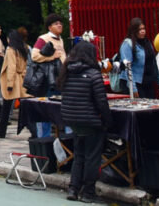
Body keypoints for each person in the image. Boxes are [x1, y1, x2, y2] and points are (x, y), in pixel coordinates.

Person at [60, 41, 112, 202]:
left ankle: (73, 188)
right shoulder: (93, 74)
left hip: (73, 120)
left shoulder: (66, 72)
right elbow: (101, 102)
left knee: (79, 155)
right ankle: (88, 192)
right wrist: (107, 120)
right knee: (92, 157)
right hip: (90, 121)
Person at [0, 30, 30, 138]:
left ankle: (1, 130)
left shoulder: (11, 50)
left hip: (13, 80)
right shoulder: (24, 48)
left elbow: (11, 67)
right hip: (22, 79)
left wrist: (9, 84)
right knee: (23, 106)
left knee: (6, 107)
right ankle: (0, 129)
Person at [119, 18, 159, 98]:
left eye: (143, 28)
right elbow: (127, 67)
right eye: (139, 29)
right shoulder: (128, 44)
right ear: (134, 30)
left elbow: (153, 64)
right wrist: (133, 88)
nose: (143, 31)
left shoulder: (147, 43)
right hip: (135, 82)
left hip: (148, 81)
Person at [31, 13, 67, 94]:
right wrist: (52, 57)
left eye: (60, 23)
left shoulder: (60, 39)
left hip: (61, 77)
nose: (59, 25)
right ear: (50, 27)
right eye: (56, 24)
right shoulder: (43, 38)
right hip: (50, 79)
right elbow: (34, 56)